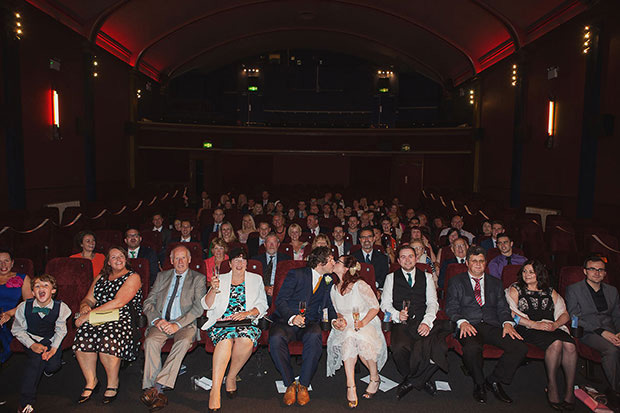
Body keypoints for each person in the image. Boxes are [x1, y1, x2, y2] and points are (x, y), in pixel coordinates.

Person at [445, 245, 527, 404]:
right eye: (474, 261)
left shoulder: (495, 283)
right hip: (469, 324)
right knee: (471, 348)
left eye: (481, 261)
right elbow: (451, 307)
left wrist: (507, 323)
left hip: (492, 325)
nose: (477, 264)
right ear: (467, 263)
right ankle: (479, 383)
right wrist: (462, 322)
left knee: (520, 346)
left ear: (485, 263)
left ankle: (494, 380)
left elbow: (503, 307)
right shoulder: (456, 281)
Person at [140, 246, 207, 411]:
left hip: (184, 324)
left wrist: (176, 324)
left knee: (184, 341)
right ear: (171, 261)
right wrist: (157, 320)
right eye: (176, 258)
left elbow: (198, 308)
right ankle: (157, 391)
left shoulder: (198, 278)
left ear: (189, 259)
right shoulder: (162, 276)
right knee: (150, 342)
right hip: (161, 322)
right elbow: (148, 302)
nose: (180, 262)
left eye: (183, 258)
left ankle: (156, 387)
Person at [73, 247, 143, 404]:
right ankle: (91, 381)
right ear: (108, 262)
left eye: (121, 256)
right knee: (84, 335)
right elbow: (89, 299)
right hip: (98, 316)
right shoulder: (101, 277)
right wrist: (85, 306)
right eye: (114, 257)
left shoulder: (133, 277)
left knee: (108, 337)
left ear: (126, 259)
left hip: (121, 317)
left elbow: (119, 302)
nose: (118, 259)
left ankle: (113, 382)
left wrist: (88, 315)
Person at [269, 246, 336, 406]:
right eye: (332, 259)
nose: (334, 262)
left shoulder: (328, 279)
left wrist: (335, 320)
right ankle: (290, 384)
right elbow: (280, 301)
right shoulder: (297, 274)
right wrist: (293, 317)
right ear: (321, 262)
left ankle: (304, 384)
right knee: (275, 338)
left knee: (315, 336)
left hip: (310, 322)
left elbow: (328, 305)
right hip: (287, 321)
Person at [201, 250, 268, 412]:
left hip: (246, 321)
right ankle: (215, 390)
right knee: (224, 342)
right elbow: (206, 305)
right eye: (236, 260)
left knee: (245, 340)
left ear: (247, 263)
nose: (239, 264)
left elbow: (263, 305)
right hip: (223, 322)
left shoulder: (255, 279)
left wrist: (248, 313)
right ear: (229, 264)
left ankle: (231, 377)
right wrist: (212, 289)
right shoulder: (220, 279)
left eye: (243, 260)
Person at [507, 260, 576, 410]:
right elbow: (512, 314)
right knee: (556, 344)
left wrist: (556, 325)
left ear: (539, 274)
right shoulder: (516, 289)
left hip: (551, 327)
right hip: (528, 327)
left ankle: (570, 391)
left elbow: (564, 314)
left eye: (531, 272)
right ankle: (552, 386)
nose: (527, 275)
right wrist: (535, 324)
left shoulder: (550, 291)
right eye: (525, 271)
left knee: (570, 345)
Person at [381, 245, 448, 400]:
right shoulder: (391, 277)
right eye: (403, 257)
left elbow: (433, 303)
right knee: (398, 348)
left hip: (422, 320)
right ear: (398, 260)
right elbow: (384, 304)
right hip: (402, 322)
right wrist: (397, 315)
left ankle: (411, 382)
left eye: (410, 256)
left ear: (416, 258)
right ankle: (420, 379)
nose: (407, 260)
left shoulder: (427, 277)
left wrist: (426, 322)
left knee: (439, 347)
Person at [328, 255, 387, 408]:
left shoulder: (360, 285)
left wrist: (362, 323)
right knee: (349, 338)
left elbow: (375, 307)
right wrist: (339, 321)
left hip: (366, 320)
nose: (334, 263)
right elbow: (339, 313)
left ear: (346, 268)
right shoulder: (334, 289)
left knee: (361, 344)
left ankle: (374, 377)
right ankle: (351, 385)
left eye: (338, 262)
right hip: (347, 325)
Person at [12, 274, 71, 413]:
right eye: (37, 286)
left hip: (50, 339)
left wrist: (53, 349)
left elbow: (61, 331)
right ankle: (25, 403)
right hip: (31, 338)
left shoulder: (61, 307)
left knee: (53, 365)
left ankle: (47, 368)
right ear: (32, 292)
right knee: (35, 362)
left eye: (45, 285)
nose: (41, 288)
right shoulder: (23, 307)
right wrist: (31, 345)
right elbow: (17, 330)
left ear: (53, 290)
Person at [566, 256, 620, 404]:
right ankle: (616, 390)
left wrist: (619, 332)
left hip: (611, 329)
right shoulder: (574, 289)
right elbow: (574, 318)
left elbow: (617, 315)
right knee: (612, 350)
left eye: (600, 270)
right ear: (585, 271)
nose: (596, 273)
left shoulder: (612, 291)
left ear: (605, 273)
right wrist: (601, 332)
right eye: (592, 269)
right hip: (587, 331)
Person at [0, 249, 33, 363]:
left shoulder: (23, 278)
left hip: (12, 316)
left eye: (6, 261)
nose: (3, 265)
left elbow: (29, 303)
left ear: (12, 263)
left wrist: (10, 313)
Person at [251, 233, 290, 305]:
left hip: (280, 291)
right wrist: (265, 288)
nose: (271, 245)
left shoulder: (286, 260)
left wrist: (276, 289)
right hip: (261, 291)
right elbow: (253, 280)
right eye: (269, 242)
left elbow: (289, 279)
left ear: (278, 245)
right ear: (265, 245)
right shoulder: (256, 260)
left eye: (274, 242)